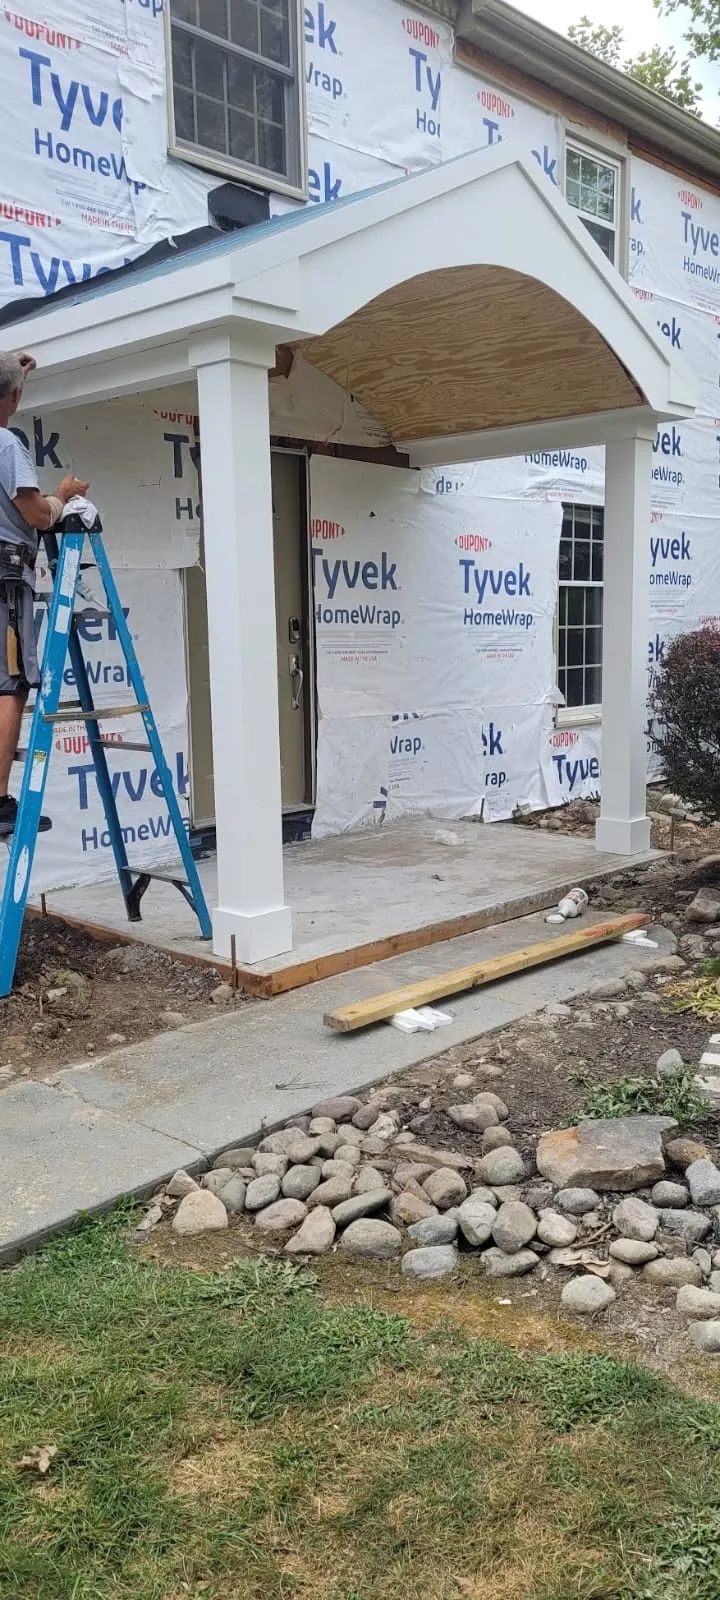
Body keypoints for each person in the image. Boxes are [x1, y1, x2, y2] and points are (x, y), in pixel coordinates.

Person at [0, 350, 88, 838]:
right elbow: (35, 514)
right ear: (15, 397)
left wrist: (15, 366)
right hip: (5, 582)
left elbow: (5, 382)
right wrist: (64, 495)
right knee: (9, 685)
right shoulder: (6, 445)